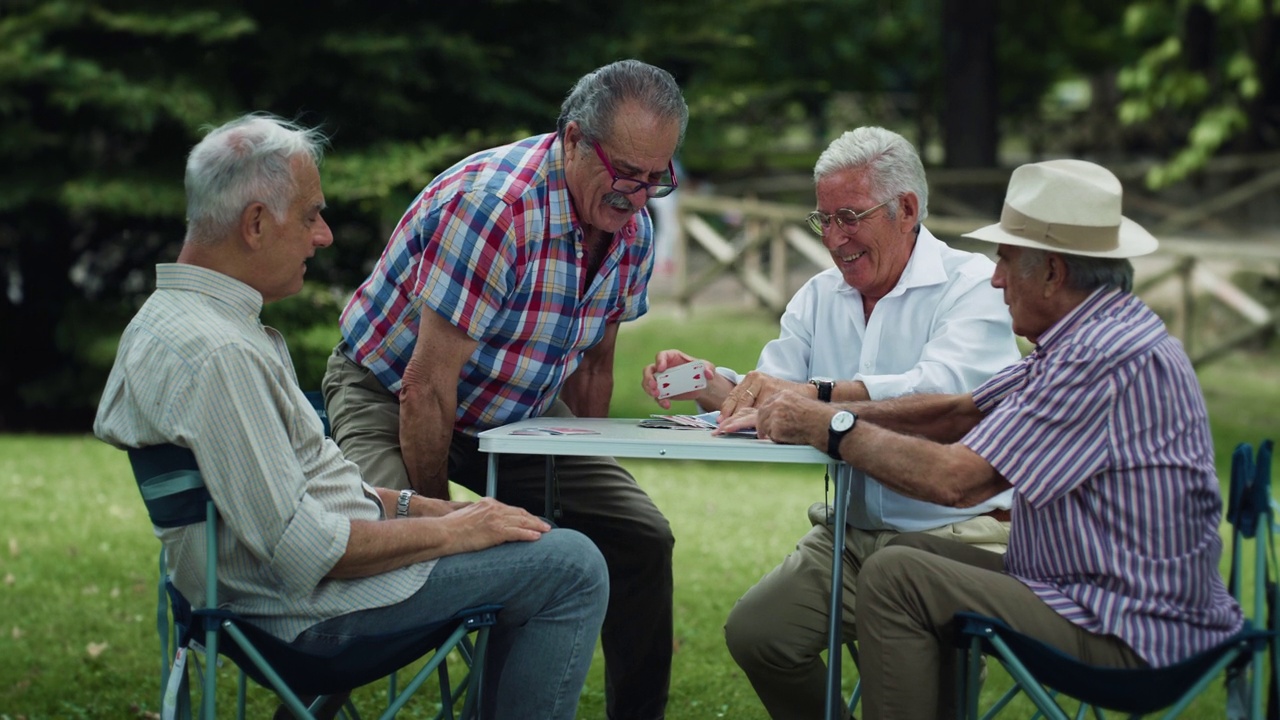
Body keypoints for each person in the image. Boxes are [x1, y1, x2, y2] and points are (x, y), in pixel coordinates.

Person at [93, 114, 609, 720]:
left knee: (532, 540)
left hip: (267, 598)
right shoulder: (219, 353)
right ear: (256, 223)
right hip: (309, 618)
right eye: (311, 215)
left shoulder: (170, 319)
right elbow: (305, 550)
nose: (325, 236)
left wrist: (436, 509)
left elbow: (307, 495)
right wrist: (456, 533)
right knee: (574, 565)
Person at [750, 159, 1245, 720]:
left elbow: (956, 481)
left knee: (896, 572)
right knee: (906, 556)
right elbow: (961, 410)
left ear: (1053, 272)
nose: (996, 279)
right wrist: (825, 402)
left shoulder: (1096, 359)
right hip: (1095, 595)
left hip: (1127, 633)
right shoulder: (1093, 335)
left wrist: (830, 426)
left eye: (1007, 261)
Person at [321, 59, 687, 719]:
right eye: (625, 171)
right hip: (391, 389)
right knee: (377, 549)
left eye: (656, 177)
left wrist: (574, 478)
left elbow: (594, 368)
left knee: (640, 536)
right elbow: (426, 387)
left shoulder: (633, 232)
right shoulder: (495, 210)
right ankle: (307, 705)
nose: (636, 194)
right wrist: (446, 529)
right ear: (573, 140)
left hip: (518, 407)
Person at [641, 126, 1020, 719]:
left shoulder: (971, 283)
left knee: (911, 691)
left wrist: (817, 397)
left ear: (907, 210)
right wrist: (708, 381)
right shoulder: (821, 295)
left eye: (849, 216)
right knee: (759, 635)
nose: (835, 239)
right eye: (824, 220)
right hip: (850, 534)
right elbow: (771, 390)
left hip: (958, 533)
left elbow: (949, 394)